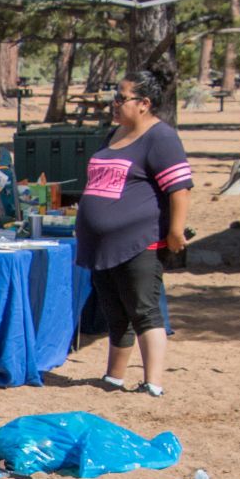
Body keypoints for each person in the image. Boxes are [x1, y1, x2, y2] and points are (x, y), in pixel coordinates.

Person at [74, 68, 192, 398]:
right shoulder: (114, 135)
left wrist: (175, 231)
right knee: (115, 311)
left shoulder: (161, 138)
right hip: (102, 245)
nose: (115, 103)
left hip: (140, 242)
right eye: (114, 96)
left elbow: (180, 188)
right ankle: (114, 376)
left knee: (144, 309)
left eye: (121, 98)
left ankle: (152, 382)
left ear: (144, 103)